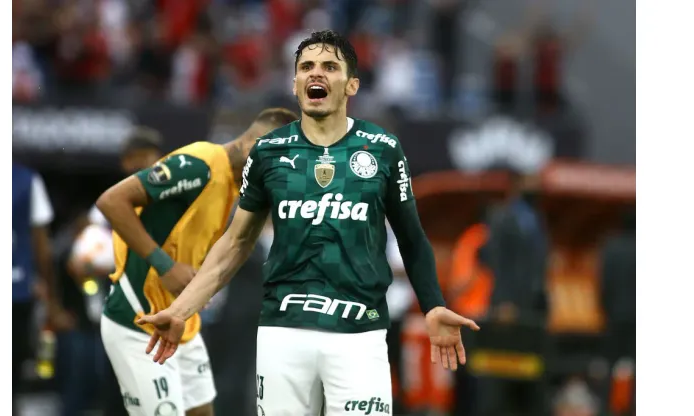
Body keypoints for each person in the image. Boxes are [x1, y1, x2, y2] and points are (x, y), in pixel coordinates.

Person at [138, 30, 480, 416]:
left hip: (359, 332)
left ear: (351, 84)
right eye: (306, 67)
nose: (316, 74)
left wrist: (433, 305)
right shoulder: (268, 152)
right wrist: (181, 310)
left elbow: (412, 239)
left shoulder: (381, 149)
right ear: (295, 82)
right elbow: (234, 243)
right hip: (284, 333)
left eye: (329, 67)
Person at [95, 108, 298, 416]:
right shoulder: (198, 165)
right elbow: (111, 201)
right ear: (252, 147)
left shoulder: (234, 186)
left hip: (180, 322)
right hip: (138, 322)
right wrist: (165, 266)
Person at [71, 126, 167, 416]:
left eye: (147, 157)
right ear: (125, 162)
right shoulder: (108, 205)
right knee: (119, 392)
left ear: (160, 159)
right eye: (135, 158)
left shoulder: (171, 200)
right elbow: (80, 261)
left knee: (161, 392)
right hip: (119, 308)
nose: (141, 164)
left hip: (162, 309)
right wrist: (92, 264)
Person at [12, 162, 73, 416]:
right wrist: (53, 303)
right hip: (16, 289)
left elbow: (42, 248)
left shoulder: (28, 179)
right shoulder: (26, 180)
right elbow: (42, 247)